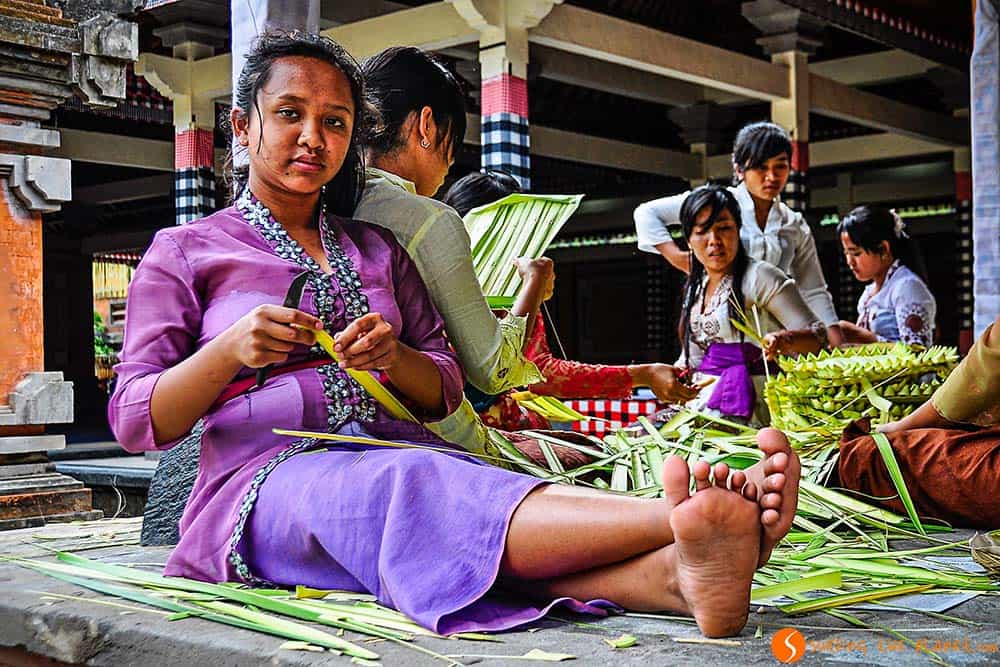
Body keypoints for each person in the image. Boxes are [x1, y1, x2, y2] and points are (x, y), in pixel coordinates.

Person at [110, 31, 801, 639]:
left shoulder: (379, 249)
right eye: (289, 114)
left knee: (440, 496)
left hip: (401, 453)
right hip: (262, 484)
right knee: (408, 485)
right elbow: (137, 417)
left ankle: (675, 578)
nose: (312, 138)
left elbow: (442, 384)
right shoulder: (187, 250)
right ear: (242, 125)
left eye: (336, 121)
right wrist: (226, 351)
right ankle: (671, 517)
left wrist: (395, 356)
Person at [352, 47, 552, 452]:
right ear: (426, 125)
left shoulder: (325, 208)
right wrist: (533, 284)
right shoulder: (429, 220)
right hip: (437, 446)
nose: (448, 167)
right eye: (452, 145)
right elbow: (494, 370)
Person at [441, 170, 697, 431]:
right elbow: (526, 374)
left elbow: (539, 370)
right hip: (458, 432)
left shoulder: (512, 289)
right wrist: (643, 374)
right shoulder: (439, 286)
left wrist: (646, 374)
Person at [634, 121, 843, 347]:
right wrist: (680, 258)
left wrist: (837, 342)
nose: (771, 176)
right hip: (722, 329)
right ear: (739, 168)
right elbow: (646, 213)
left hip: (776, 336)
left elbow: (813, 289)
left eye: (780, 166)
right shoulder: (716, 204)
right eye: (761, 167)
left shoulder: (794, 223)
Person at [673, 185, 825, 425]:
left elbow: (819, 336)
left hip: (760, 405)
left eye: (724, 228)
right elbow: (692, 356)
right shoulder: (695, 287)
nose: (715, 241)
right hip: (705, 404)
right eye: (703, 231)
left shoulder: (760, 276)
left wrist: (784, 340)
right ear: (689, 240)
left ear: (738, 230)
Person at [837, 314, 1000, 528]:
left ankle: (847, 468)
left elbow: (984, 370)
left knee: (869, 460)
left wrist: (901, 428)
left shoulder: (906, 286)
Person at [836, 206, 936, 347]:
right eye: (846, 253)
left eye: (856, 253)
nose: (850, 262)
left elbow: (918, 351)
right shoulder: (868, 294)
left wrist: (862, 338)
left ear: (883, 248)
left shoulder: (907, 287)